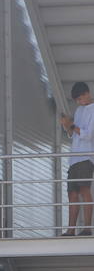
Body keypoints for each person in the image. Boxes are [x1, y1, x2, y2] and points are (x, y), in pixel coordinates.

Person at [59, 82, 94, 236]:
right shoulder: (79, 110)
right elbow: (73, 134)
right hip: (74, 157)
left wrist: (72, 125)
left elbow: (88, 135)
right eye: (77, 100)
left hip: (86, 156)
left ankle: (87, 228)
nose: (79, 102)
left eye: (80, 98)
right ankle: (71, 229)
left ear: (87, 93)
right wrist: (67, 126)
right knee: (72, 193)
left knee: (84, 190)